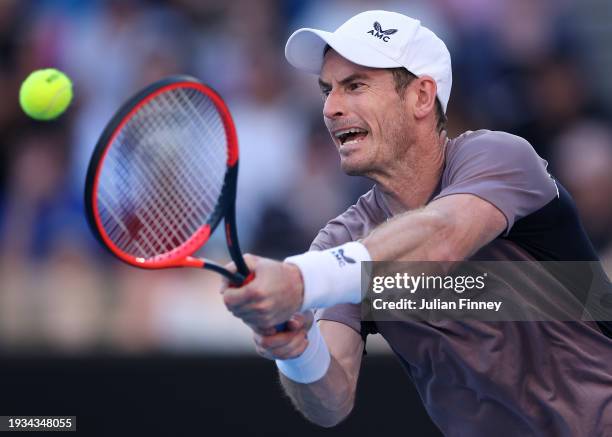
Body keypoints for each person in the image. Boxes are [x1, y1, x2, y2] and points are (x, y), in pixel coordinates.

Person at [220, 11, 612, 436]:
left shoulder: (500, 157)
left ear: (423, 96)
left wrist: (298, 280)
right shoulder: (342, 240)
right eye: (326, 90)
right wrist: (296, 349)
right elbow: (331, 401)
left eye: (355, 86)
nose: (331, 108)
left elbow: (440, 239)